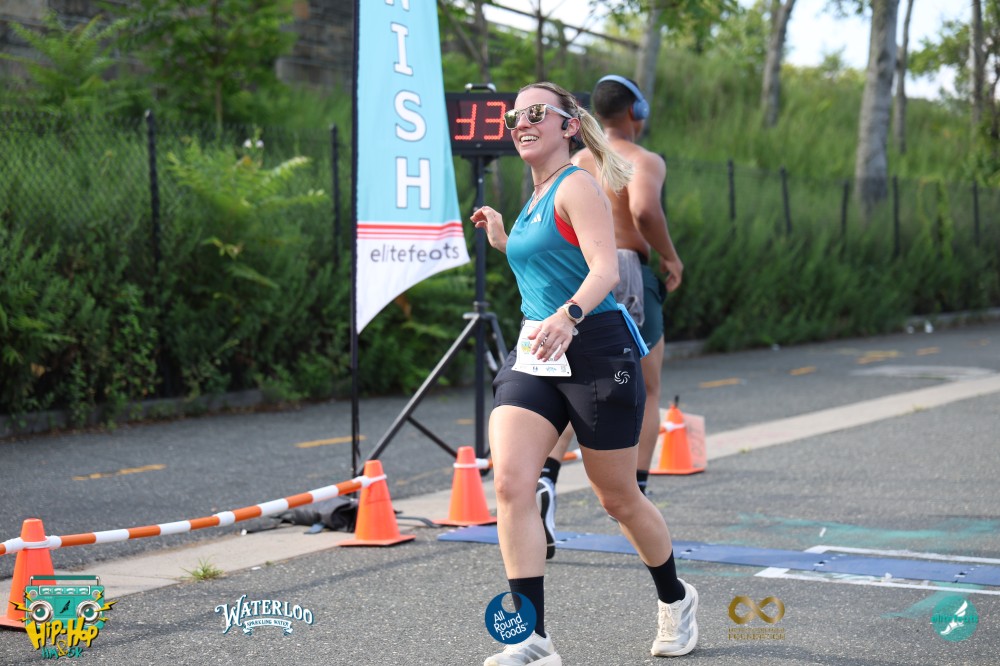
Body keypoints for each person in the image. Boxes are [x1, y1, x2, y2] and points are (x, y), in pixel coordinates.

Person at [471, 81, 698, 665]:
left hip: (595, 346)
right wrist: (504, 239)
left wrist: (570, 315)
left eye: (535, 113)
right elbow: (550, 265)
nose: (521, 123)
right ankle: (531, 638)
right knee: (512, 484)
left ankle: (676, 599)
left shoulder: (577, 184)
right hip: (537, 348)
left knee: (618, 498)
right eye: (514, 117)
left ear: (569, 125)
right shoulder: (535, 193)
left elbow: (604, 269)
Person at [536, 75, 684, 558]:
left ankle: (545, 480)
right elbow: (644, 211)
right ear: (637, 112)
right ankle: (636, 494)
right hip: (624, 270)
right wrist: (670, 256)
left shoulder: (578, 161)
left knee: (571, 383)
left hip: (577, 273)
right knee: (649, 386)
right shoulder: (643, 159)